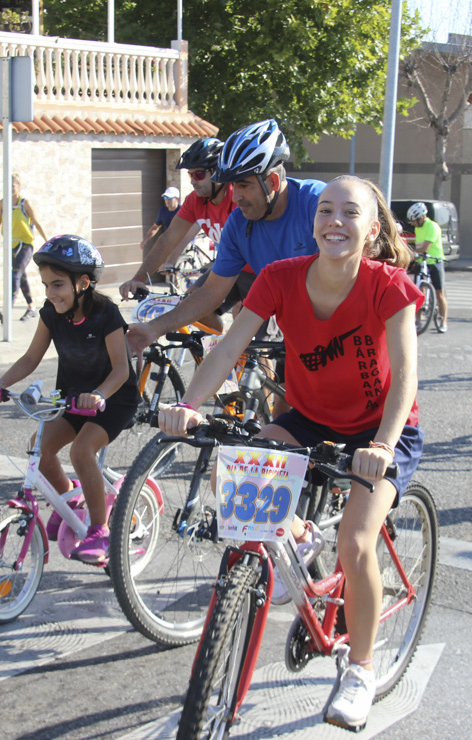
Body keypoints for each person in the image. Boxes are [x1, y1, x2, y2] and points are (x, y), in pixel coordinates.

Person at [159, 175, 423, 730]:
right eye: (326, 209)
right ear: (313, 221)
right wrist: (188, 403)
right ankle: (299, 537)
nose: (334, 220)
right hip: (307, 419)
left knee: (355, 542)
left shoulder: (387, 286)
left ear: (372, 229)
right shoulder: (280, 278)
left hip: (380, 429)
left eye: (350, 212)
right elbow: (231, 345)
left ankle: (361, 668)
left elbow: (405, 378)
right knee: (234, 475)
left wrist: (382, 444)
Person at [0, 236, 138, 564]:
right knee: (39, 446)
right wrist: (2, 382)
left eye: (58, 285)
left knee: (82, 451)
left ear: (83, 283)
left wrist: (98, 395)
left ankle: (100, 530)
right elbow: (31, 358)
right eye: (46, 286)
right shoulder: (51, 313)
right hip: (71, 399)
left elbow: (122, 369)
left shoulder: (105, 313)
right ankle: (68, 500)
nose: (51, 294)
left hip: (113, 399)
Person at [124, 119, 325, 356]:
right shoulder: (237, 221)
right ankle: (226, 349)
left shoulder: (319, 204)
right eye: (233, 186)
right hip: (263, 290)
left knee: (264, 349)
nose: (236, 197)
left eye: (243, 185)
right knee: (200, 306)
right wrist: (152, 328)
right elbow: (208, 291)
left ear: (272, 181)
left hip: (322, 318)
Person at [118, 137, 237, 333]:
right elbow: (168, 239)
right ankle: (219, 349)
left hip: (254, 267)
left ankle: (250, 359)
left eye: (198, 174)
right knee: (192, 303)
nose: (192, 181)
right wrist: (139, 279)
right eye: (190, 175)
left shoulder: (238, 198)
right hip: (227, 266)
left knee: (248, 322)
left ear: (219, 172)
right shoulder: (195, 201)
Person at [0, 173, 49, 321]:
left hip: (25, 244)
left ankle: (7, 311)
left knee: (15, 274)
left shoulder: (24, 203)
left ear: (18, 186)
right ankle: (32, 307)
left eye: (12, 186)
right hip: (10, 245)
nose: (10, 189)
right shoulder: (2, 203)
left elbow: (37, 222)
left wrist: (47, 242)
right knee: (21, 276)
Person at [408, 202, 448, 333]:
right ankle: (418, 321)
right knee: (418, 292)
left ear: (421, 218)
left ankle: (443, 321)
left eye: (414, 221)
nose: (412, 224)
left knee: (439, 292)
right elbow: (419, 248)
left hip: (435, 261)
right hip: (422, 260)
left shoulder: (432, 227)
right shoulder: (418, 227)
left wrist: (411, 252)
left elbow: (425, 247)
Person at [139, 187, 181, 268]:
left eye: (170, 198)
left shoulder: (182, 210)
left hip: (181, 241)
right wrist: (145, 239)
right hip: (169, 242)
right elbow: (155, 227)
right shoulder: (163, 211)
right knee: (166, 266)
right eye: (165, 198)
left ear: (177, 199)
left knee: (177, 266)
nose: (167, 200)